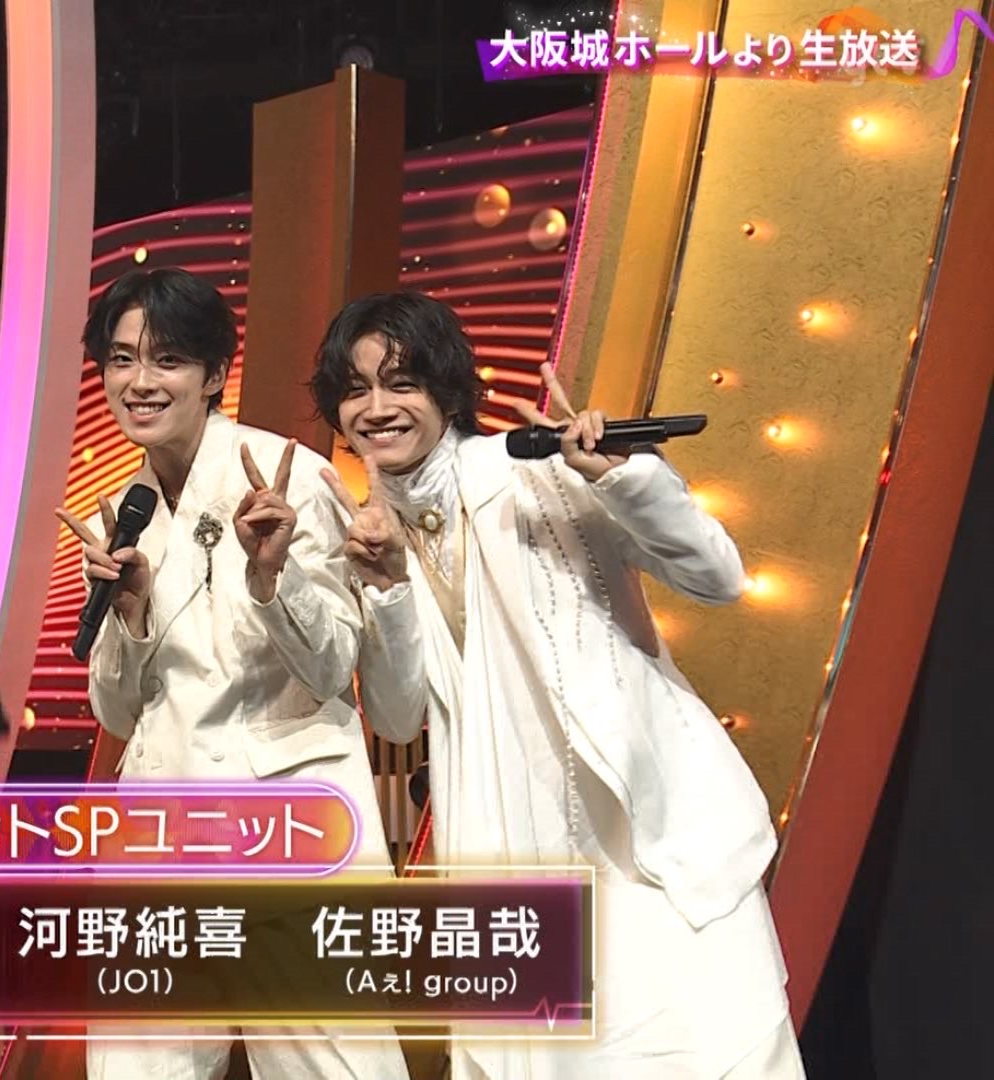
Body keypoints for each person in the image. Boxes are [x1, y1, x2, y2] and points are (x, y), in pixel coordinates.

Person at [313, 291, 804, 1078]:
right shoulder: (369, 533)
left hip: (637, 830)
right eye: (355, 389)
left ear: (447, 391)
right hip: (512, 847)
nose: (377, 408)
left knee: (709, 1045)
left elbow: (719, 577)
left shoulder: (540, 470)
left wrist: (626, 480)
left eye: (401, 383)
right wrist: (389, 589)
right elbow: (400, 719)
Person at [59, 267, 410, 1080]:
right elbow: (117, 711)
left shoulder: (288, 476)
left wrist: (271, 576)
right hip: (159, 824)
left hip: (286, 819)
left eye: (168, 360)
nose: (140, 382)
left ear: (215, 373)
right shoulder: (123, 513)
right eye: (121, 360)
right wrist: (129, 614)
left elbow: (334, 666)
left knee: (333, 1066)